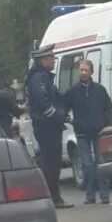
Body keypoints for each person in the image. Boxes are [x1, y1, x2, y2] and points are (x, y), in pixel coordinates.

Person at [25, 44, 73, 209]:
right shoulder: (39, 78)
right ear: (41, 60)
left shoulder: (43, 76)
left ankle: (53, 197)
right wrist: (59, 115)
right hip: (47, 126)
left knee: (52, 163)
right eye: (50, 58)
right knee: (51, 165)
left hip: (49, 125)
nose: (53, 60)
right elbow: (43, 103)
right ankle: (52, 198)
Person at [63, 59, 112, 205]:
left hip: (99, 132)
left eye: (86, 70)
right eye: (81, 70)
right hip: (81, 133)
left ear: (91, 72)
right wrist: (69, 119)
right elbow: (63, 107)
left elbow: (108, 108)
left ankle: (105, 195)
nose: (83, 72)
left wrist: (106, 125)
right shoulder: (73, 91)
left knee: (101, 163)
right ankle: (90, 195)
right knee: (87, 165)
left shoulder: (99, 89)